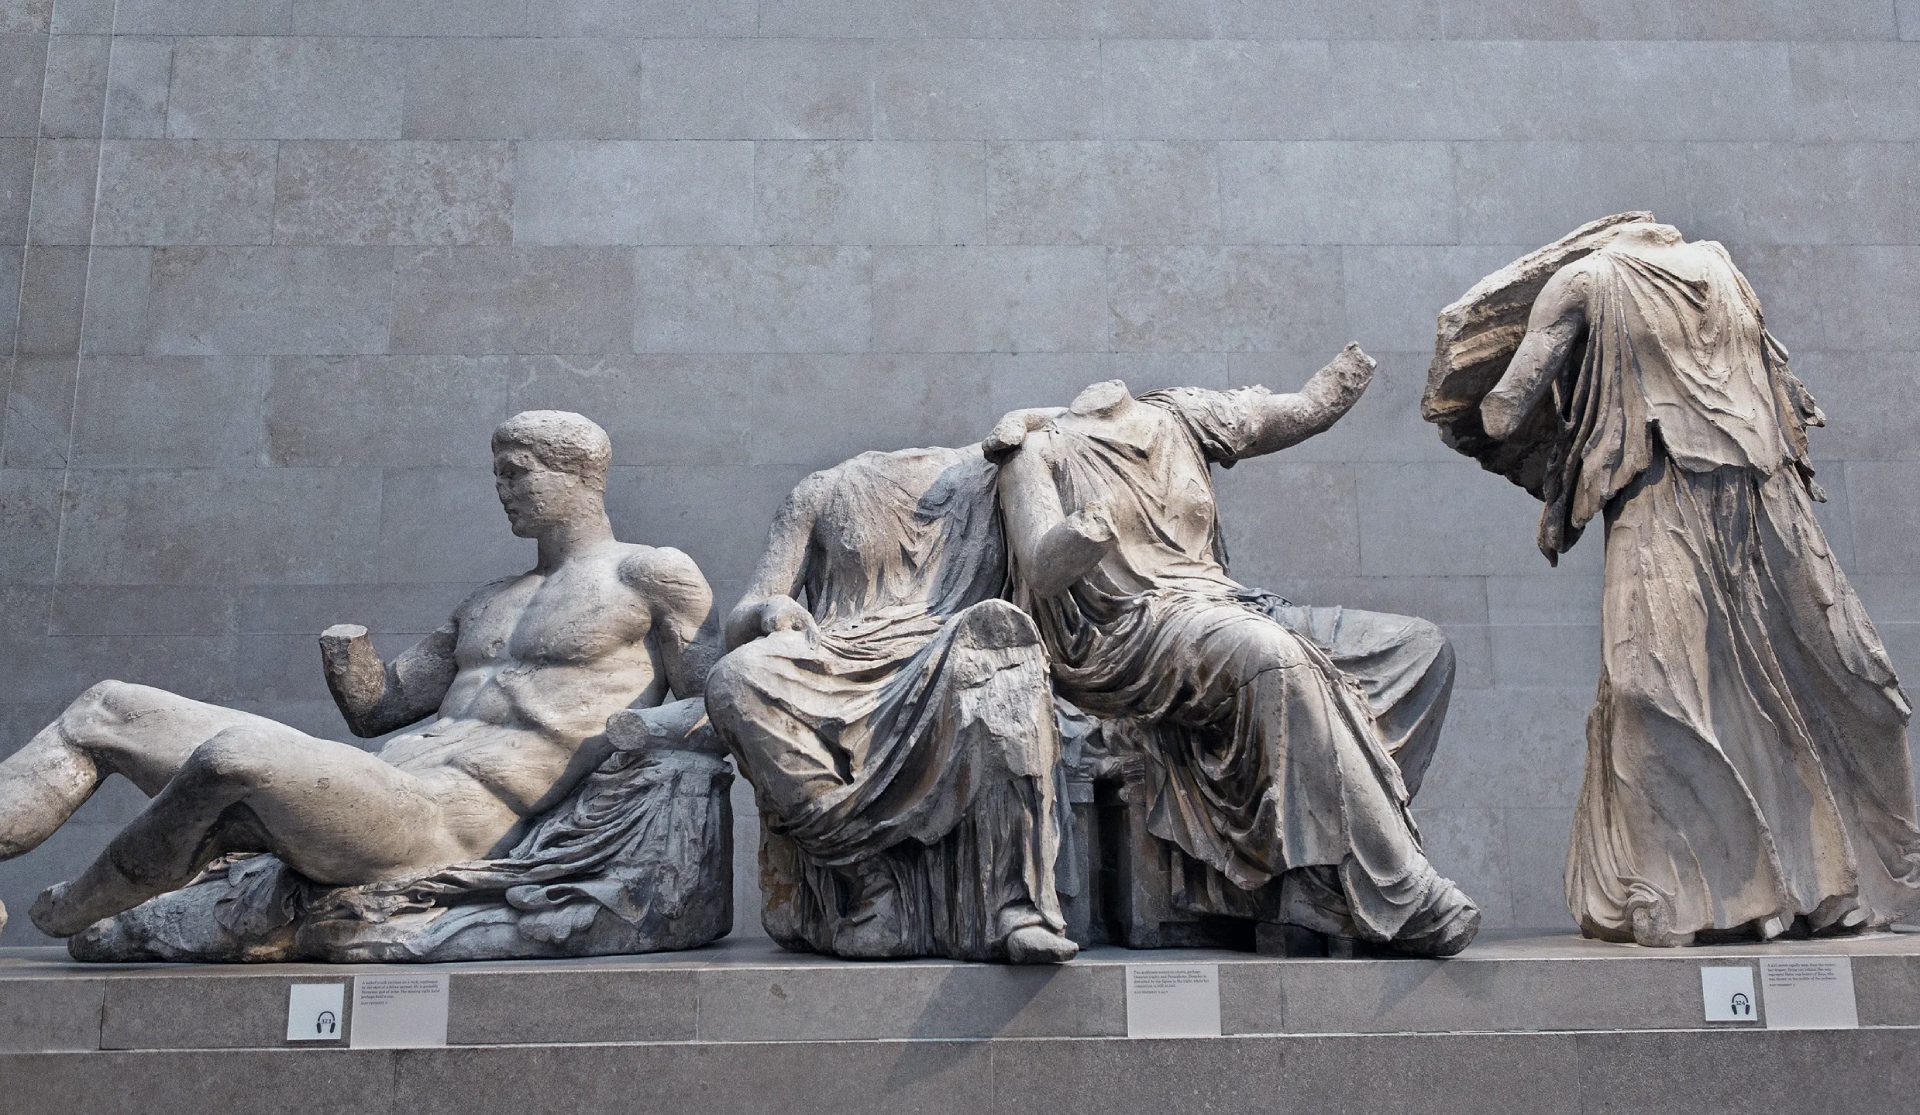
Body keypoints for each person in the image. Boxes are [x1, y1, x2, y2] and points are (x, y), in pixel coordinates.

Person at [0, 410, 716, 939]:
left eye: (517, 472)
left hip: (450, 824)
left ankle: (77, 905)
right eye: (496, 472)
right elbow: (380, 709)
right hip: (377, 784)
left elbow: (710, 704)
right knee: (108, 706)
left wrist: (645, 727)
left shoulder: (650, 573)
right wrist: (349, 656)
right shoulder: (488, 601)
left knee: (232, 759)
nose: (501, 489)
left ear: (579, 474)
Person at [1480, 221, 1920, 946]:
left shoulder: (1634, 278)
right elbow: (1506, 403)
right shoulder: (1607, 281)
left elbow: (1502, 408)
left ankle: (1828, 878)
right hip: (1668, 493)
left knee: (1838, 677)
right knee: (1652, 686)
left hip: (1759, 503)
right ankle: (1678, 889)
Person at [992, 346, 1480, 956]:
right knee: (1273, 658)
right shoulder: (1033, 450)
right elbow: (1040, 568)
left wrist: (1356, 365)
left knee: (1419, 650)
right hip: (1129, 632)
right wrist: (1083, 533)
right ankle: (1396, 885)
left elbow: (1304, 408)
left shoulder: (1182, 416)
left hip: (1228, 604)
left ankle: (1317, 875)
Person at [706, 445, 1077, 963]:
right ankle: (865, 876)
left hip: (953, 652)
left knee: (999, 644)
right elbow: (747, 612)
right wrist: (772, 609)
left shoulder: (1002, 474)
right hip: (837, 658)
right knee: (733, 679)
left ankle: (1013, 908)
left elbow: (1049, 565)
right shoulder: (822, 490)